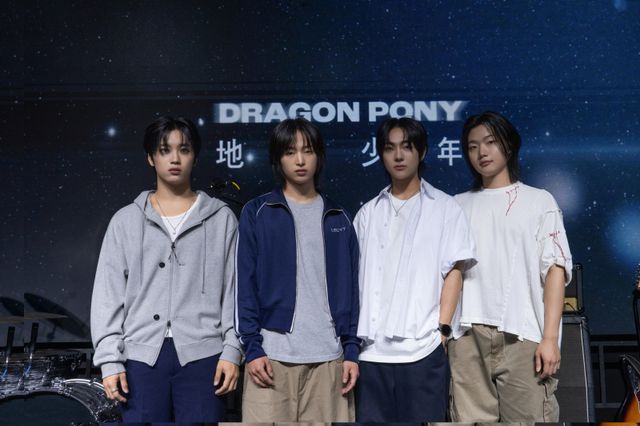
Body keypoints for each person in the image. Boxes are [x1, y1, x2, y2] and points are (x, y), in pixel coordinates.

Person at [90, 116, 240, 422]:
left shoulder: (222, 219)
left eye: (184, 149)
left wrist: (232, 351)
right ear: (150, 157)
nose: (174, 158)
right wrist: (109, 361)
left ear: (195, 156)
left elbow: (234, 292)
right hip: (140, 359)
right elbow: (107, 295)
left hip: (204, 357)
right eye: (164, 150)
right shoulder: (125, 221)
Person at [449, 111, 572, 422]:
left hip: (522, 335)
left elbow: (555, 271)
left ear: (509, 144)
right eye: (473, 146)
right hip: (467, 336)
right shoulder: (455, 205)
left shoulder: (539, 201)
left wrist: (549, 338)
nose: (482, 152)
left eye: (490, 142)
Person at [235, 117, 360, 422]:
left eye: (308, 150)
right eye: (290, 152)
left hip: (330, 361)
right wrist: (252, 348)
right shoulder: (257, 212)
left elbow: (354, 290)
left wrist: (351, 350)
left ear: (320, 155)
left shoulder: (339, 217)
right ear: (278, 159)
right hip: (270, 359)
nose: (300, 160)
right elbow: (243, 285)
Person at [353, 117, 475, 422]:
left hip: (423, 350)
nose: (398, 155)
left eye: (407, 147)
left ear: (422, 152)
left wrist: (442, 332)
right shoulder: (367, 213)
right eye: (389, 148)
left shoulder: (445, 208)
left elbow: (455, 271)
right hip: (372, 354)